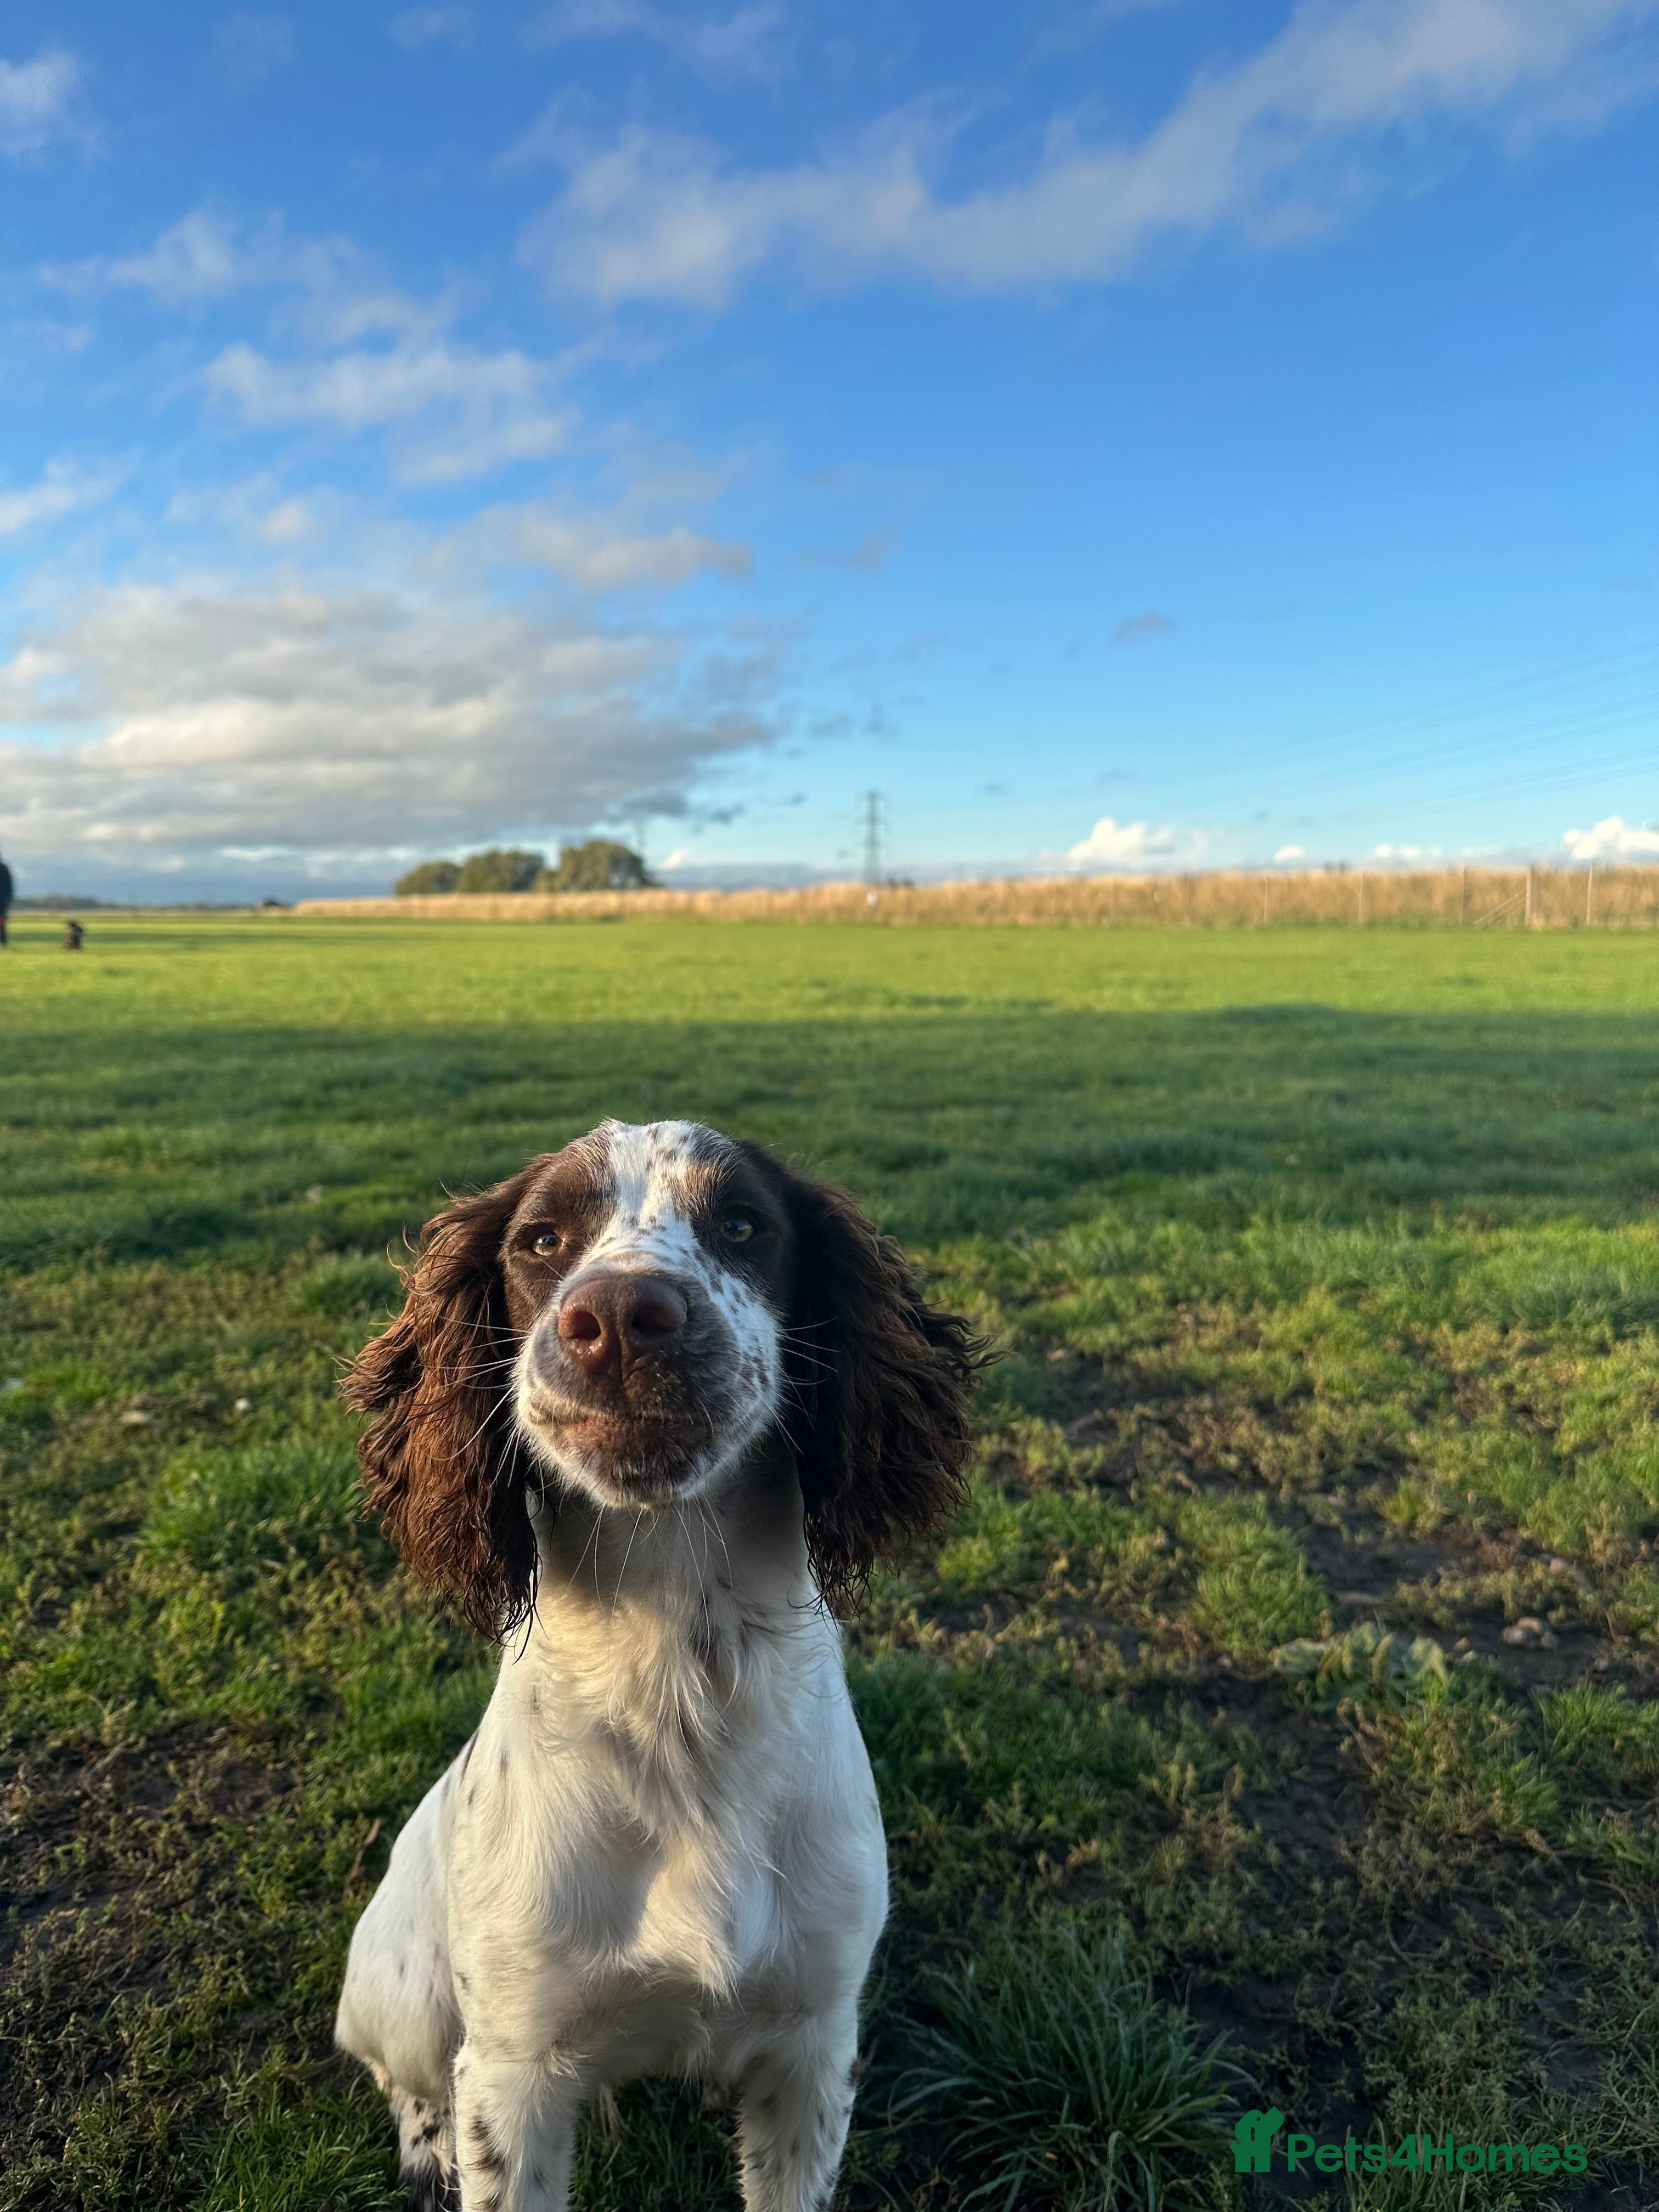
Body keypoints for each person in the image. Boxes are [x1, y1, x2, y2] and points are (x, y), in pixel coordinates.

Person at [0, 849, 11, 948]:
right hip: (3, 900)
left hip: (2, 900)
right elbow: (9, 886)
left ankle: (3, 941)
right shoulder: (4, 868)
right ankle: (3, 941)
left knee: (2, 921)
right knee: (2, 921)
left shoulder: (4, 869)